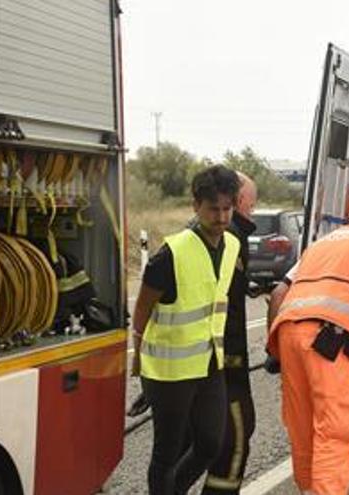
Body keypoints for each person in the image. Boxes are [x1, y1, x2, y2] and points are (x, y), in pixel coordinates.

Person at [265, 179, 349, 495]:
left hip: (289, 331)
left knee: (302, 426)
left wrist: (275, 351)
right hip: (332, 340)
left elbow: (278, 293)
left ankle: (308, 489)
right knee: (337, 428)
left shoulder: (324, 242)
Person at [131, 165, 241, 495]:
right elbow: (141, 309)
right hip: (168, 371)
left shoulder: (232, 245)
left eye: (227, 208)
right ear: (196, 205)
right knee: (166, 451)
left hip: (208, 363)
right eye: (213, 209)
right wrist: (138, 360)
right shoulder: (170, 254)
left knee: (210, 442)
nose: (221, 217)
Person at [202, 172, 257, 494]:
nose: (253, 208)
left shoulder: (217, 238)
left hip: (204, 365)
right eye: (252, 202)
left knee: (190, 449)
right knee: (235, 443)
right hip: (223, 364)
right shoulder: (229, 238)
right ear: (239, 200)